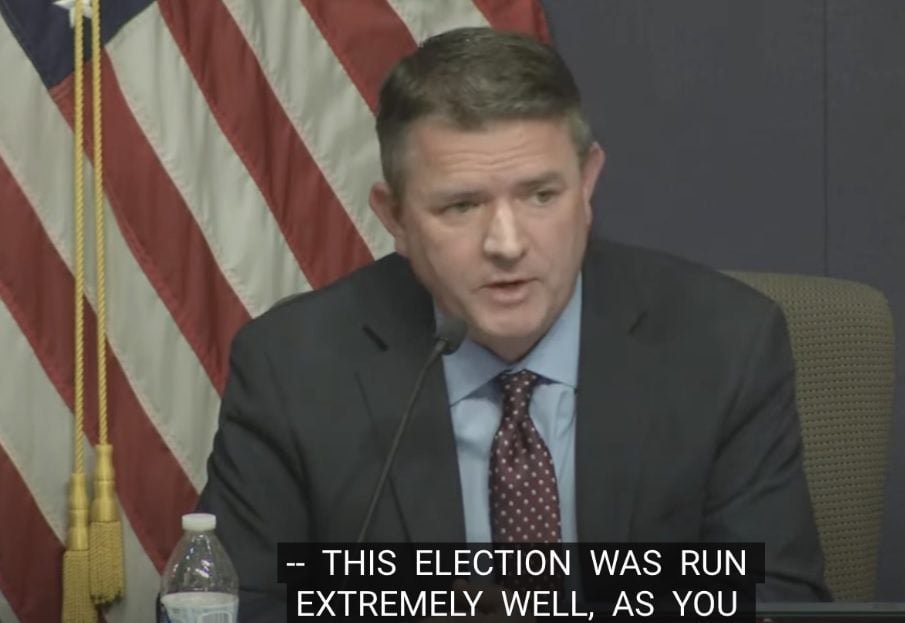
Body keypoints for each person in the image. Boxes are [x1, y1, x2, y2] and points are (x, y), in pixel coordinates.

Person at [197, 26, 830, 618]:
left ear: (587, 184)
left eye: (540, 196)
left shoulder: (722, 345)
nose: (507, 244)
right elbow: (231, 605)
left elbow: (770, 598)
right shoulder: (294, 369)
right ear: (395, 218)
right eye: (461, 205)